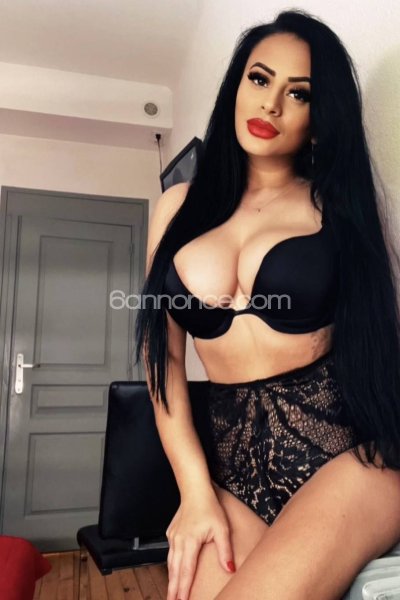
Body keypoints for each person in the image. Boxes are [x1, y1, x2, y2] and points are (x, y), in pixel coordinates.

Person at [135, 8, 400, 600]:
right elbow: (165, 363)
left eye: (298, 93)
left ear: (318, 119)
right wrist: (194, 492)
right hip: (233, 475)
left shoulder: (337, 208)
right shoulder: (177, 209)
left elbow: (380, 335)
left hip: (348, 462)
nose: (271, 104)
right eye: (259, 79)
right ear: (237, 85)